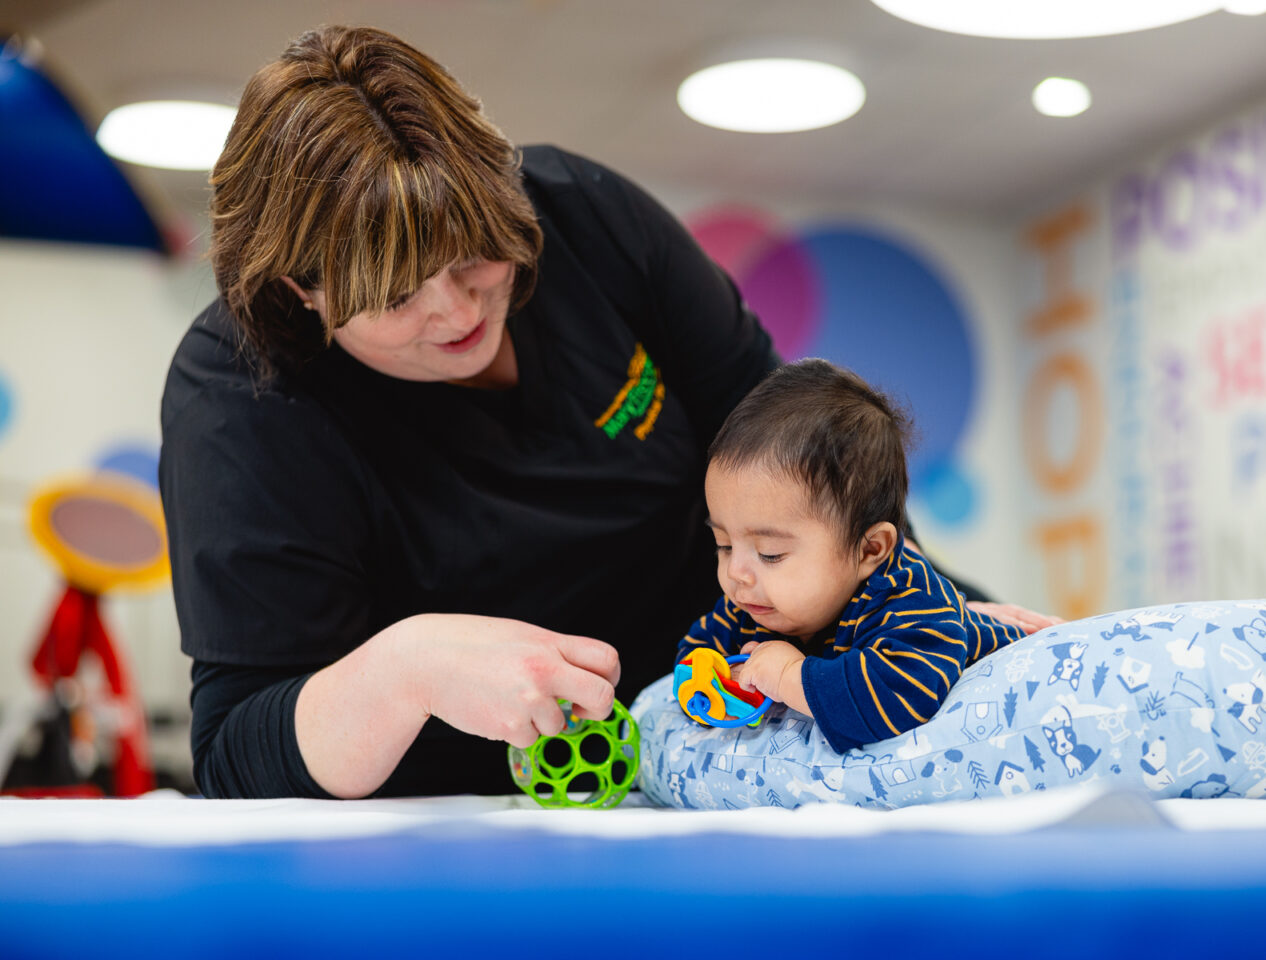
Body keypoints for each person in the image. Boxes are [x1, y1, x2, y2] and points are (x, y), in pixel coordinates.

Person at [162, 25, 1054, 799]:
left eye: (478, 256)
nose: (459, 311)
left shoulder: (585, 220)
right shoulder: (239, 401)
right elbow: (237, 749)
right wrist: (407, 668)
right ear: (301, 291)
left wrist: (951, 623)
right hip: (484, 814)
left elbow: (814, 479)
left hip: (737, 731)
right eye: (398, 297)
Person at [677, 360, 1033, 752]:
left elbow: (898, 696)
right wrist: (717, 684)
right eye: (725, 545)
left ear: (870, 550)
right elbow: (695, 658)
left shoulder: (912, 601)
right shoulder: (751, 604)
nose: (737, 573)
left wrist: (789, 676)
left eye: (770, 553)